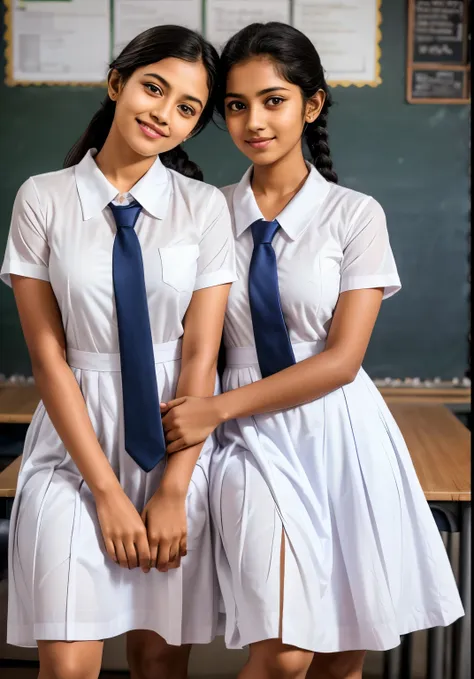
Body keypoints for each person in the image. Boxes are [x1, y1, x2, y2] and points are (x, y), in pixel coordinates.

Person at [161, 22, 464, 679]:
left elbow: (341, 359)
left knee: (338, 654)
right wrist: (208, 416)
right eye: (236, 105)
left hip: (337, 431)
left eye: (273, 100)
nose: (254, 121)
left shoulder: (355, 215)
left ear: (312, 104)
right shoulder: (205, 214)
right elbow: (189, 340)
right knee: (283, 652)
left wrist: (215, 408)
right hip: (245, 442)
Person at [0, 25, 236, 679]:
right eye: (153, 88)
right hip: (73, 450)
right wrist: (105, 489)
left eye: (187, 107)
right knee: (70, 666)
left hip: (172, 445)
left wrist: (173, 489)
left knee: (159, 661)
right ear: (117, 84)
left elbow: (199, 358)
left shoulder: (203, 208)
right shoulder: (42, 198)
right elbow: (48, 356)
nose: (163, 113)